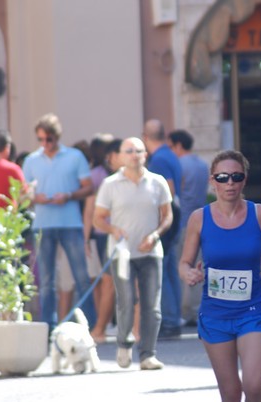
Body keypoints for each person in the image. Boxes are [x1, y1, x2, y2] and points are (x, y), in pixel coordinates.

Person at [179, 150, 261, 402]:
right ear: (213, 180)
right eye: (222, 177)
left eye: (235, 176)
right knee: (230, 394)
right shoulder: (199, 218)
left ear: (244, 180)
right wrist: (188, 273)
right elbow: (184, 262)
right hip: (214, 316)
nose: (229, 182)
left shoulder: (260, 214)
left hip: (251, 313)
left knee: (253, 386)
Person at [94, 137, 172, 370]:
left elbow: (167, 215)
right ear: (119, 156)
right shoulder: (110, 184)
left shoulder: (157, 182)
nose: (134, 155)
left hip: (151, 251)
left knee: (152, 305)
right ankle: (124, 343)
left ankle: (148, 354)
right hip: (122, 253)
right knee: (127, 300)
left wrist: (156, 235)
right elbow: (98, 218)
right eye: (129, 151)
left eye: (139, 150)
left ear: (145, 155)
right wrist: (113, 229)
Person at [22, 113, 96, 332]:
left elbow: (89, 186)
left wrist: (69, 195)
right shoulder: (31, 160)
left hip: (70, 223)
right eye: (41, 140)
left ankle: (91, 325)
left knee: (81, 277)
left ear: (57, 137)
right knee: (46, 281)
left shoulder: (74, 157)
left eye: (49, 140)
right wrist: (36, 198)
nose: (45, 144)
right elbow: (24, 196)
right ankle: (49, 327)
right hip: (42, 225)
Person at [143, 118, 183, 338]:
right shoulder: (171, 156)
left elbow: (168, 189)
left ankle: (169, 320)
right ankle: (174, 317)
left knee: (163, 271)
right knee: (169, 270)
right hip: (175, 215)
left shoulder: (158, 159)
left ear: (145, 137)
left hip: (166, 218)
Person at [168, 129, 209, 326]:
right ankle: (195, 309)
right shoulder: (202, 165)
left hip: (183, 220)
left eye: (171, 146)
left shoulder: (178, 165)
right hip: (201, 218)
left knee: (183, 266)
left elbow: (175, 192)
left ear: (178, 145)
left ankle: (185, 311)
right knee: (198, 264)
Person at [83, 133, 120, 343]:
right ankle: (104, 325)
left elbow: (88, 210)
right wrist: (87, 237)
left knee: (109, 281)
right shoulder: (99, 176)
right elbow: (91, 209)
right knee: (108, 281)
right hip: (104, 233)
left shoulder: (97, 174)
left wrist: (86, 236)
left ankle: (104, 325)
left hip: (105, 233)